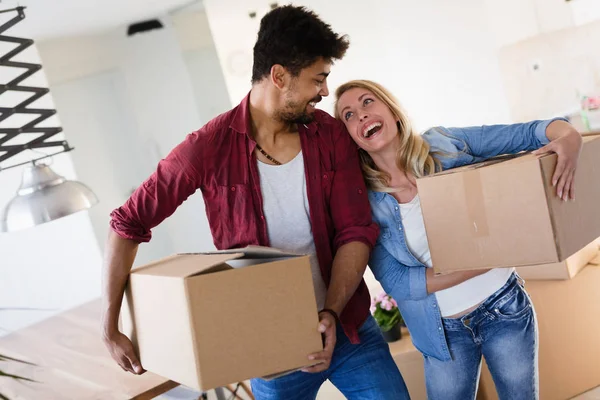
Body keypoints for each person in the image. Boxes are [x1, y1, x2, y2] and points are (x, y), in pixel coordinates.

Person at [101, 8, 409, 400]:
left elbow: (354, 231)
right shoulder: (207, 148)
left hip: (348, 328)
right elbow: (127, 223)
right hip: (269, 347)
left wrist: (329, 314)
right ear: (279, 76)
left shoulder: (329, 134)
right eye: (318, 79)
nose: (325, 93)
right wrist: (109, 327)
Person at [334, 79, 582, 400]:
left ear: (392, 110)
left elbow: (527, 132)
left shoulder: (445, 144)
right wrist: (484, 261)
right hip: (442, 335)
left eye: (367, 102)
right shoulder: (364, 201)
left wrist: (569, 136)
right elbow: (399, 283)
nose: (362, 116)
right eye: (349, 115)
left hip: (504, 307)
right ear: (350, 138)